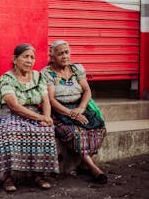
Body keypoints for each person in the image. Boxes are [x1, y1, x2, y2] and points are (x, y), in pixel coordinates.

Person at [0, 43, 58, 192]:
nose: (29, 60)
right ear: (15, 59)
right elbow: (13, 105)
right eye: (25, 57)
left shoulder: (38, 76)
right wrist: (39, 117)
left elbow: (46, 100)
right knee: (9, 131)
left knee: (45, 130)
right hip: (10, 114)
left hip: (35, 112)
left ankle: (39, 175)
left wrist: (46, 117)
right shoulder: (7, 78)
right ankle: (7, 177)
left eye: (32, 57)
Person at [41, 40, 107, 184]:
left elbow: (87, 91)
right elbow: (51, 99)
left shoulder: (77, 69)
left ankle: (84, 163)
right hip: (59, 111)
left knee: (99, 128)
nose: (65, 56)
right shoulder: (47, 73)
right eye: (60, 54)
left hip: (79, 107)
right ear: (52, 57)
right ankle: (92, 166)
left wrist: (81, 109)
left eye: (67, 52)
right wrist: (70, 114)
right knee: (75, 133)